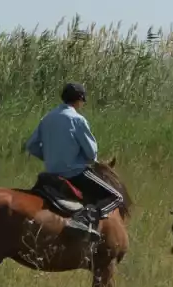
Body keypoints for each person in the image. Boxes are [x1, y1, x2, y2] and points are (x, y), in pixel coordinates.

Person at [24, 82, 124, 239]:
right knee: (117, 197)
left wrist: (49, 156)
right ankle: (84, 220)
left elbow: (31, 146)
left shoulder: (47, 118)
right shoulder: (77, 119)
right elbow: (91, 154)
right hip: (75, 174)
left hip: (51, 173)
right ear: (80, 99)